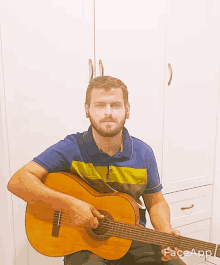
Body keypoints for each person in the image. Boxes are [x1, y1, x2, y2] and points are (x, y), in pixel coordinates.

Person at [7, 76, 186, 264]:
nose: (108, 112)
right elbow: (18, 182)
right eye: (100, 105)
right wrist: (70, 205)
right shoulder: (71, 147)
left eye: (115, 105)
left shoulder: (143, 152)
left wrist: (165, 231)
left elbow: (155, 200)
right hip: (84, 244)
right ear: (87, 110)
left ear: (127, 109)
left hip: (131, 239)